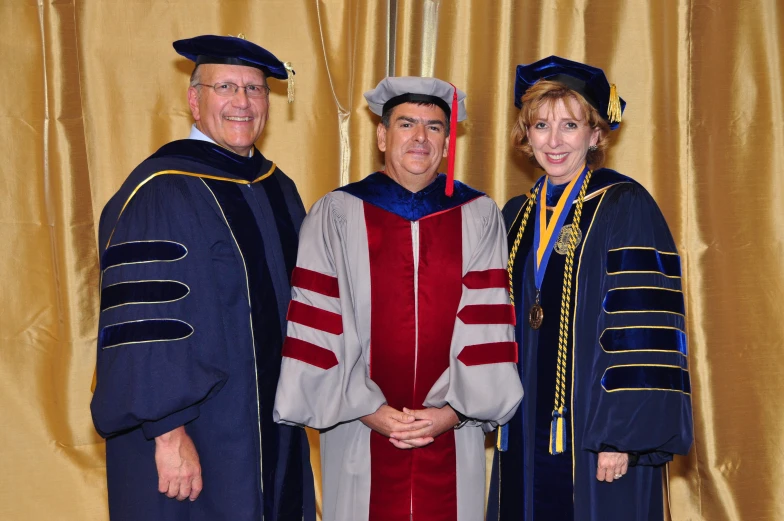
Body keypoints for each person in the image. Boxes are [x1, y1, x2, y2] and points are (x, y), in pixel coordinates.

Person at [273, 76, 524, 521]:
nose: (420, 137)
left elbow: (488, 328)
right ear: (382, 135)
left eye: (434, 126)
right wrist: (369, 408)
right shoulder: (336, 213)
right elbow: (320, 324)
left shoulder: (480, 215)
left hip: (450, 429)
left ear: (448, 142)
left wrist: (451, 412)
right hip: (358, 425)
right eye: (407, 124)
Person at [90, 34, 315, 521]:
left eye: (255, 90)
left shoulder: (278, 188)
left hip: (269, 428)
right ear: (194, 100)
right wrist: (168, 433)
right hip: (195, 431)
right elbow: (144, 324)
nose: (242, 102)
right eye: (226, 87)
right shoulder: (161, 190)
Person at [486, 56, 694, 521]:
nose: (554, 141)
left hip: (594, 435)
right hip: (522, 426)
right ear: (526, 135)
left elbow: (645, 328)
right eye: (541, 125)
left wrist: (622, 437)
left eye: (569, 125)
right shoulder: (516, 215)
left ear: (596, 134)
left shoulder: (625, 205)